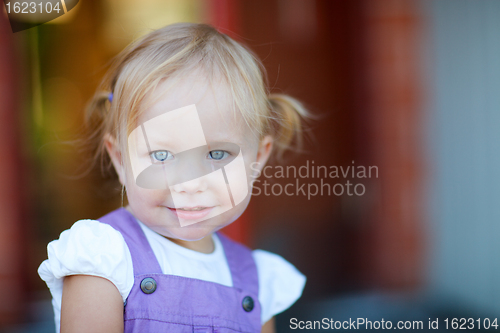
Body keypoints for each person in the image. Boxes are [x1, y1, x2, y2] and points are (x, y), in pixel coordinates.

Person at [38, 23, 308, 333]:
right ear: (120, 160)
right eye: (162, 156)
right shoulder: (104, 257)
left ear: (258, 158)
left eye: (217, 155)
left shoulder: (258, 280)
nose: (190, 184)